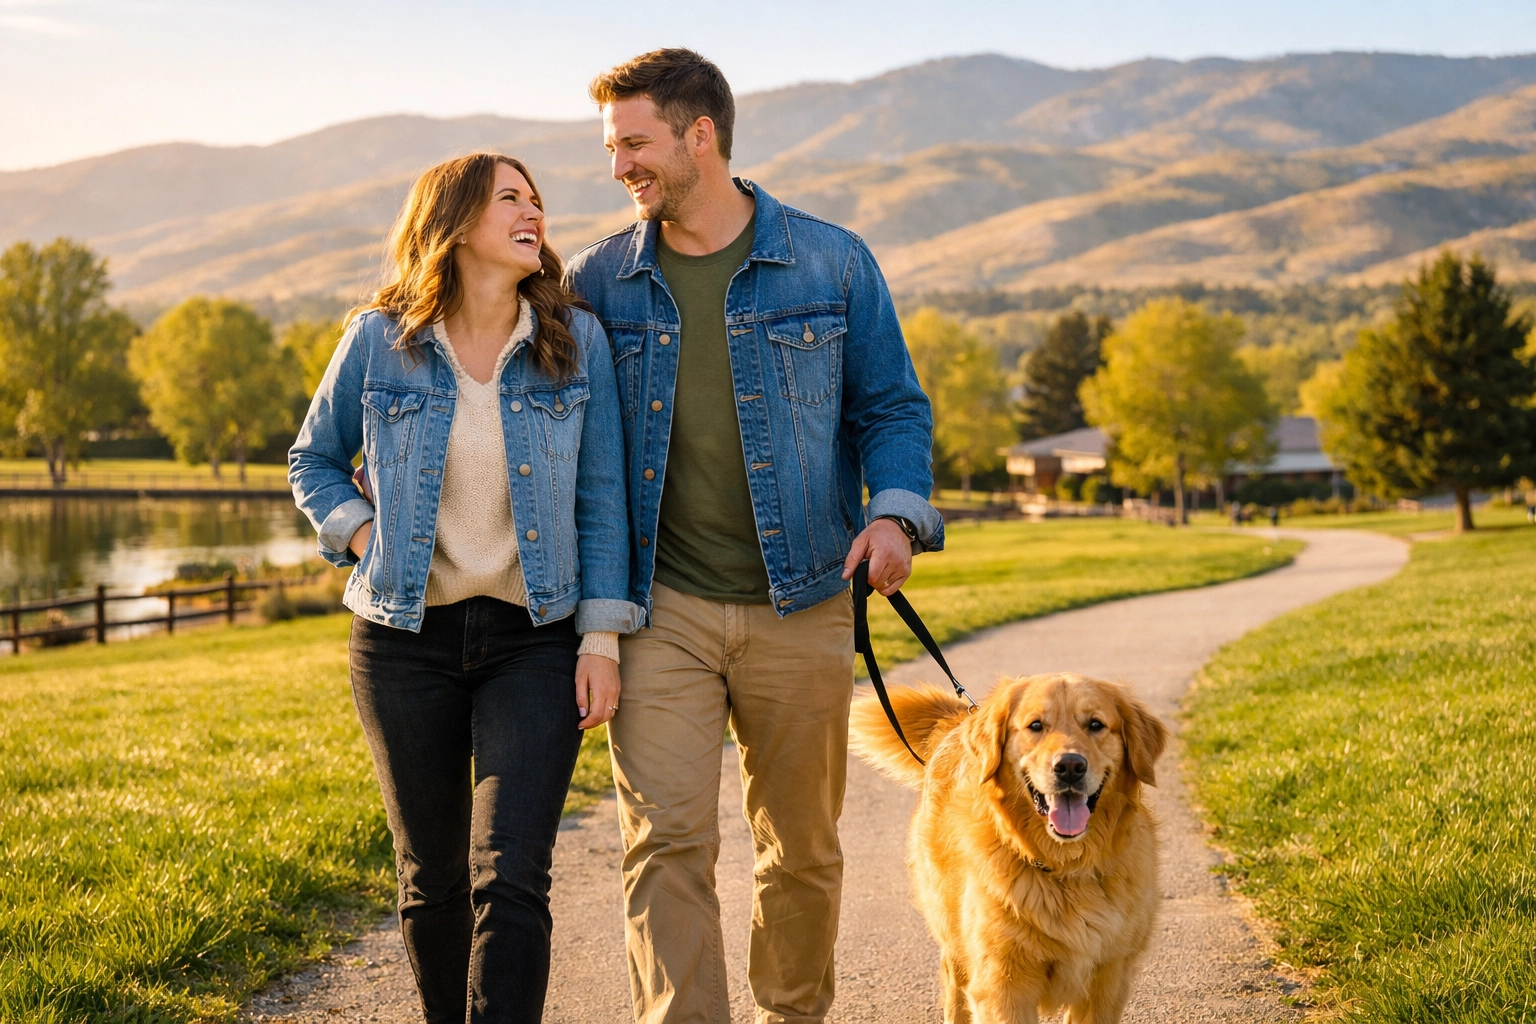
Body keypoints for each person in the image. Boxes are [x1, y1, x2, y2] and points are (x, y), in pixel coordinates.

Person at [566, 49, 942, 1024]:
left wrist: (895, 513)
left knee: (802, 848)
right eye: (612, 148)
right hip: (660, 608)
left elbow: (893, 408)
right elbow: (543, 415)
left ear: (701, 136)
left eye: (634, 143)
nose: (619, 167)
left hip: (804, 597)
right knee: (665, 844)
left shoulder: (832, 262)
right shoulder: (597, 280)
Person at [289, 153, 642, 1024]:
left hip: (534, 637)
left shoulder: (573, 341)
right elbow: (314, 460)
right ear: (451, 224)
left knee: (513, 870)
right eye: (508, 199)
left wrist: (600, 640)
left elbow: (603, 498)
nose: (533, 213)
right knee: (433, 876)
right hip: (403, 643)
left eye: (536, 200)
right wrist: (365, 537)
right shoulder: (380, 339)